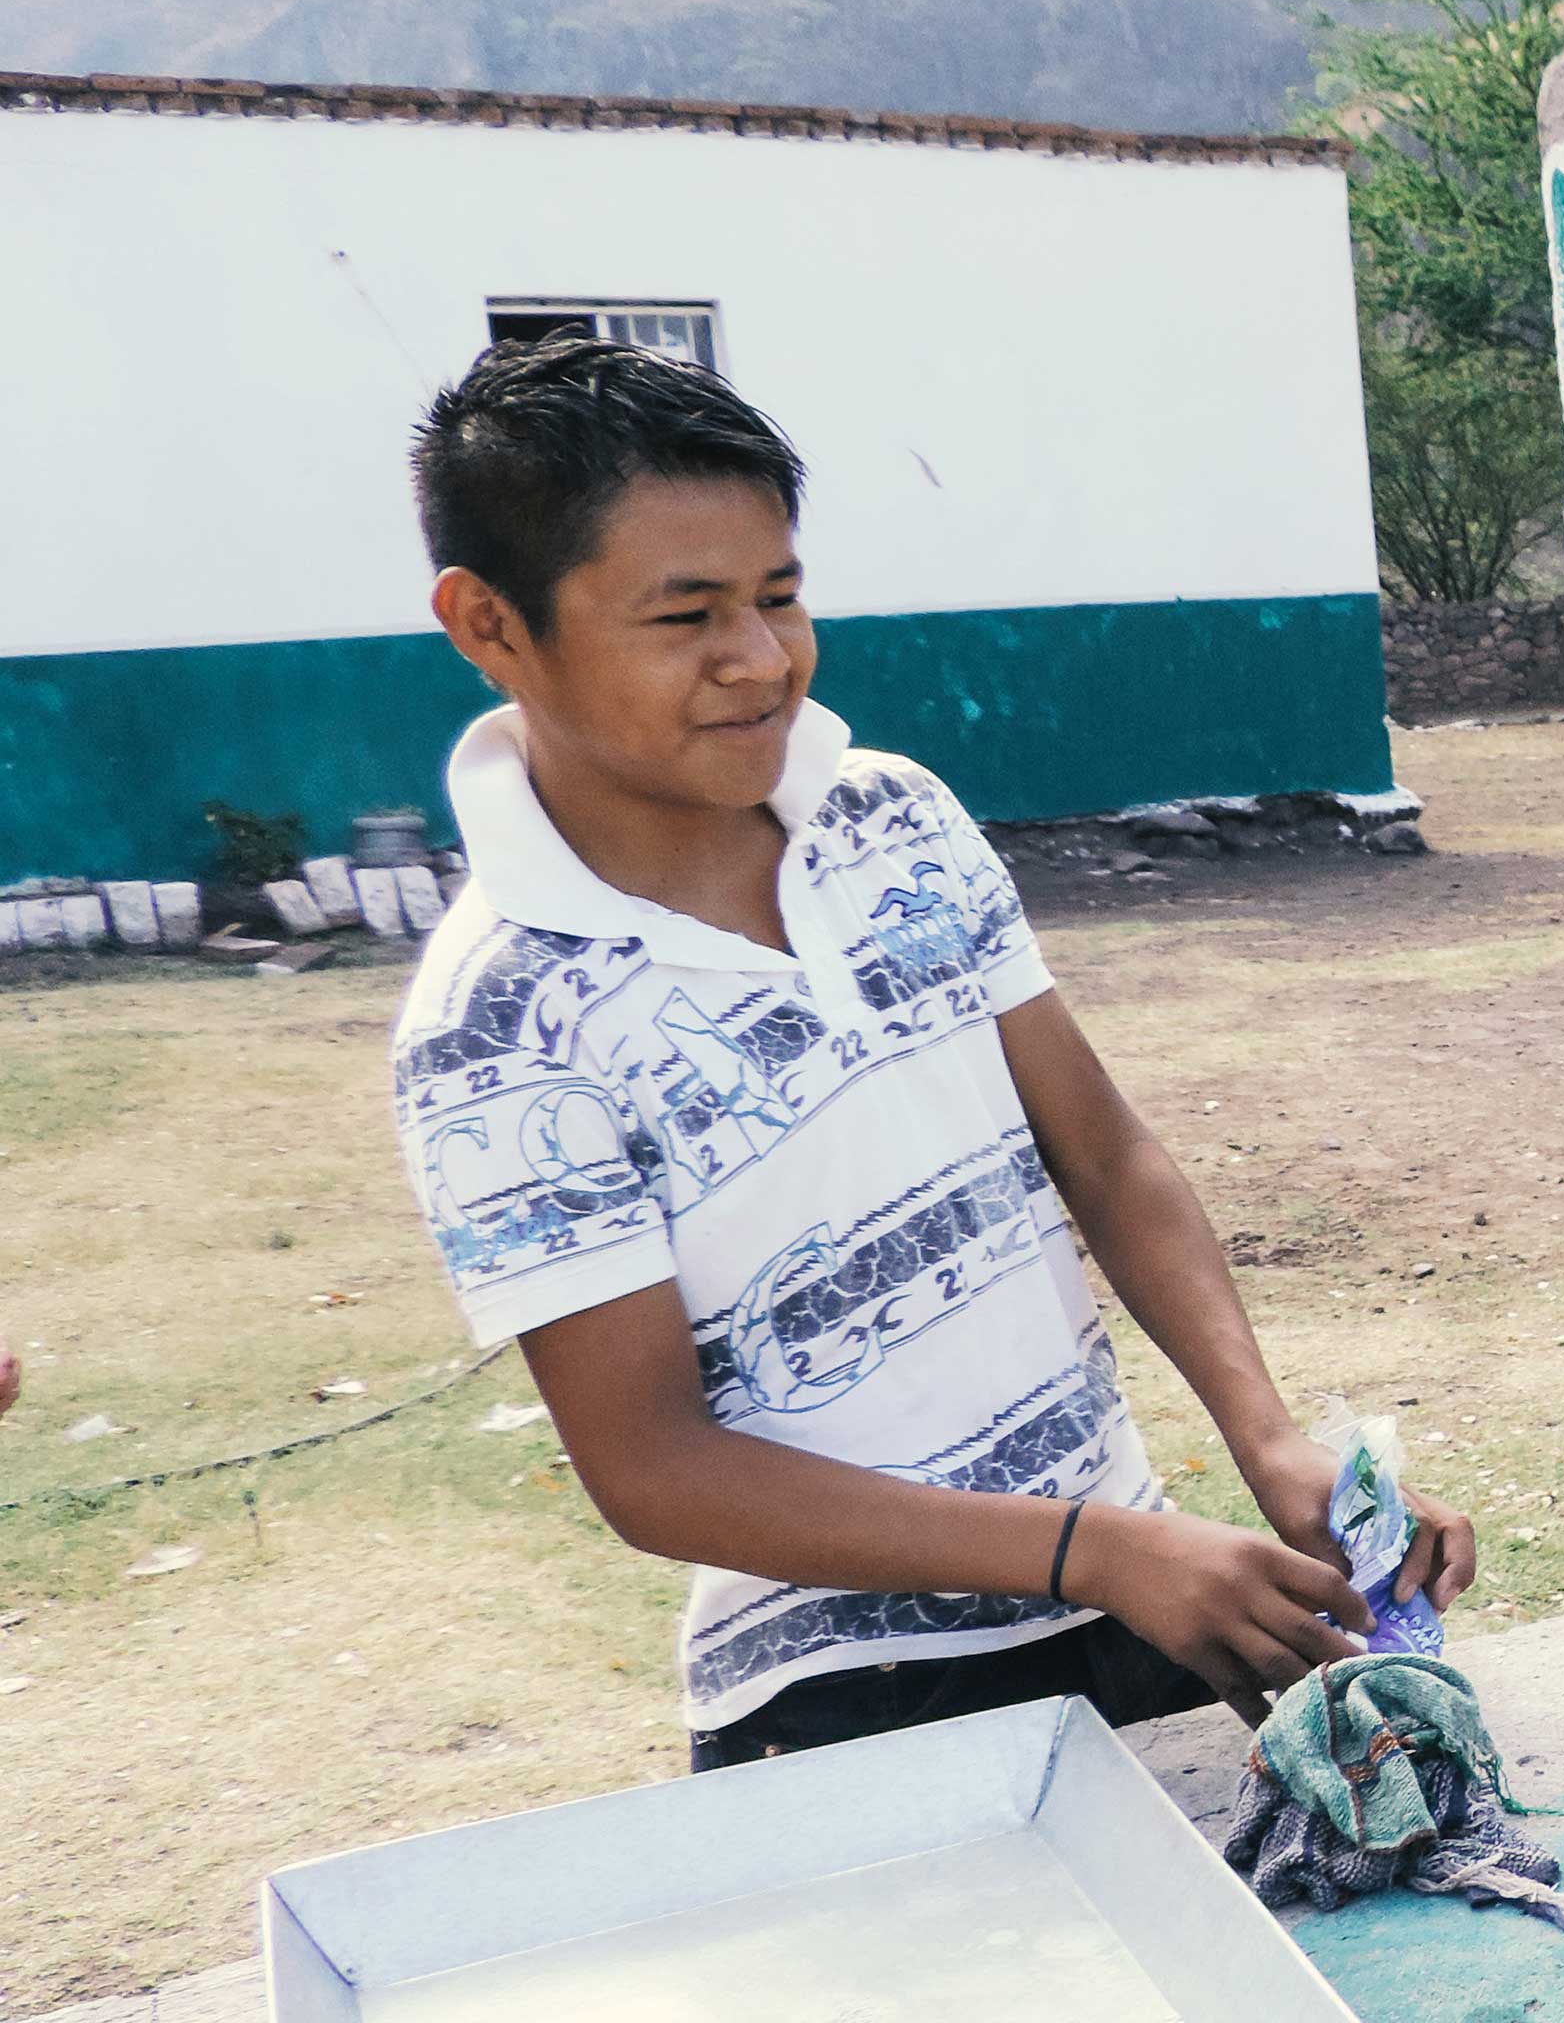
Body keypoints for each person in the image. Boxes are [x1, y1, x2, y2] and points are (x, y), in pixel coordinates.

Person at [386, 338, 1475, 1769]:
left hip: (1133, 1607)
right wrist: (1092, 1549)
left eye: (781, 596)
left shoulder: (888, 819)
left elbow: (1104, 1152)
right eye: (686, 616)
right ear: (489, 625)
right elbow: (653, 1470)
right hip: (844, 1698)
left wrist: (1266, 1438)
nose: (760, 661)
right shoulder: (494, 1024)